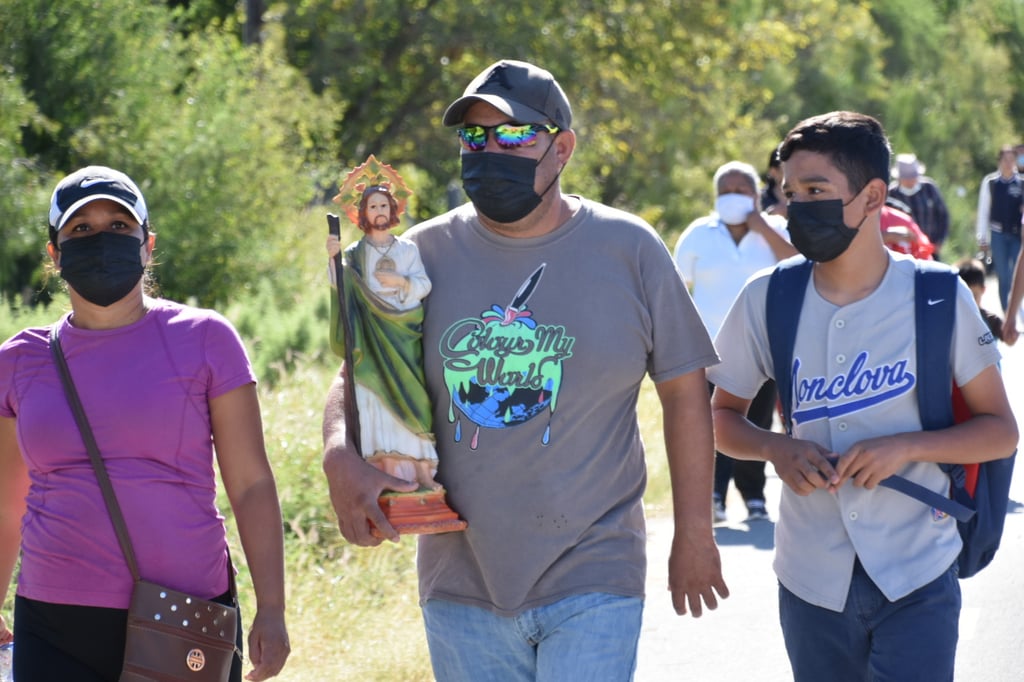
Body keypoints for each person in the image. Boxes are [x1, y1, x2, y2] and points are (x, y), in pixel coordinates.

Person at [322, 59, 728, 681]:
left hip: (596, 564)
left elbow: (684, 392)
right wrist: (337, 455)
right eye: (474, 137)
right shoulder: (417, 257)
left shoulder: (629, 249)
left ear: (561, 148)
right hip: (461, 578)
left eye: (513, 136)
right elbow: (359, 375)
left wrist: (695, 533)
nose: (489, 152)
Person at [708, 112, 1017, 681]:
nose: (796, 205)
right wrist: (778, 450)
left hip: (918, 569)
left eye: (816, 191)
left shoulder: (937, 294)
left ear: (873, 195)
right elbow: (722, 419)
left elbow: (1001, 431)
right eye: (789, 192)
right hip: (809, 577)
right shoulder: (766, 298)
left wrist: (905, 448)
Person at [0, 166, 290, 682]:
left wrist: (272, 607)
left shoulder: (205, 338)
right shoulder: (19, 360)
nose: (101, 239)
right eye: (81, 230)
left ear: (146, 244)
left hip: (182, 614)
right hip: (51, 619)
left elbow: (250, 484)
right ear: (55, 253)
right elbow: (6, 500)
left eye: (118, 226)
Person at [673, 160, 797, 523]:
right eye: (725, 190)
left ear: (756, 193)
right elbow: (678, 286)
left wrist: (761, 225)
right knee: (713, 424)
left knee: (756, 425)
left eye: (741, 190)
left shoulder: (778, 229)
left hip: (765, 347)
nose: (733, 197)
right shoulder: (699, 233)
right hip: (708, 349)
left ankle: (754, 497)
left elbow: (799, 264)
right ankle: (714, 496)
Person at [326, 178, 439, 490]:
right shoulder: (355, 253)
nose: (378, 211)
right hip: (370, 339)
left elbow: (423, 285)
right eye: (373, 206)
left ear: (393, 210)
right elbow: (340, 286)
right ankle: (384, 470)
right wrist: (334, 259)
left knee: (413, 397)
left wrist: (401, 283)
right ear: (363, 213)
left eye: (384, 206)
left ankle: (420, 472)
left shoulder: (406, 249)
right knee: (373, 398)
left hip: (402, 334)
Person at [975, 145, 1024, 313]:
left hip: (1017, 235)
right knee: (1003, 275)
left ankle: (1017, 308)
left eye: (1012, 160)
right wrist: (982, 237)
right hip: (998, 234)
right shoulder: (991, 183)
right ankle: (1007, 311)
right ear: (999, 161)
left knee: (1017, 273)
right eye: (1005, 159)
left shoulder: (1021, 183)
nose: (1009, 163)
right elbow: (983, 211)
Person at [888, 153, 950, 259]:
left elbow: (943, 215)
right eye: (906, 177)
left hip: (930, 248)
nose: (910, 180)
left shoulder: (929, 188)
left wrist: (939, 241)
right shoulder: (891, 194)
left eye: (913, 176)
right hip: (903, 252)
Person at [955, 257, 1006, 343]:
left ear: (983, 290)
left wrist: (1010, 334)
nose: (969, 303)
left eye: (973, 296)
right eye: (964, 297)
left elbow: (1009, 338)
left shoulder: (991, 321)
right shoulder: (954, 321)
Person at [761, 149, 787, 218]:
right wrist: (768, 216)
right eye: (787, 167)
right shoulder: (757, 200)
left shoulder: (810, 197)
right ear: (773, 171)